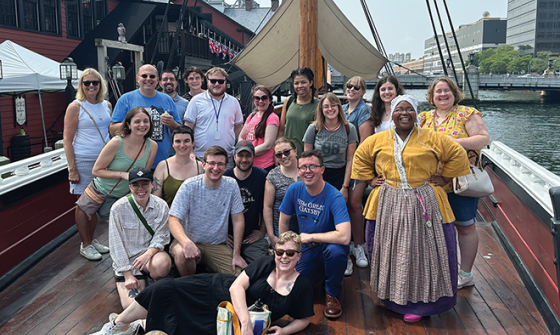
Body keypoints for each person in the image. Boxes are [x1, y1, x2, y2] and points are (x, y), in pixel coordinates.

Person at [352, 95, 470, 322]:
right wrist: (369, 180)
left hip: (423, 199)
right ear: (392, 114)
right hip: (388, 201)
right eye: (399, 109)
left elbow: (457, 154)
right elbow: (361, 157)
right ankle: (391, 298)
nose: (404, 113)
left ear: (416, 114)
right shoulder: (378, 139)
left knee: (422, 252)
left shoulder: (431, 138)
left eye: (409, 109)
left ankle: (421, 304)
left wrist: (444, 178)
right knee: (391, 251)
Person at [91, 232, 314, 335]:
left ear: (299, 256)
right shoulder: (266, 264)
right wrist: (246, 322)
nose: (284, 257)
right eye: (280, 252)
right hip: (217, 290)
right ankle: (115, 326)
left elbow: (304, 318)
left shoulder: (302, 285)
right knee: (165, 288)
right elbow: (236, 287)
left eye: (290, 253)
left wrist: (285, 332)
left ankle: (138, 325)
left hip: (228, 320)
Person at [419, 76, 490, 290]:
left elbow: (482, 139)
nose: (442, 94)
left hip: (461, 183)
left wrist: (451, 142)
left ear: (454, 93)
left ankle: (466, 274)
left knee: (465, 226)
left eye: (446, 90)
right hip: (432, 183)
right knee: (434, 227)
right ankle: (439, 270)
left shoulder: (467, 114)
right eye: (437, 91)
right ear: (431, 96)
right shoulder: (424, 118)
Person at [75, 107, 157, 261]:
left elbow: (144, 172)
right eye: (137, 121)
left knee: (120, 223)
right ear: (128, 124)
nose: (142, 125)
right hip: (102, 187)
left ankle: (118, 250)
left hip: (125, 192)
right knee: (84, 210)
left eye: (146, 121)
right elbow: (96, 170)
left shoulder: (152, 145)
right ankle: (86, 244)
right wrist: (122, 174)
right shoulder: (116, 143)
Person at [279, 150, 351, 319]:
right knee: (289, 288)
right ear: (298, 171)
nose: (307, 171)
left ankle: (333, 291)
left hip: (328, 247)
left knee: (336, 252)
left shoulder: (335, 196)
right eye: (303, 167)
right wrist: (284, 250)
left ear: (322, 169)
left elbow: (345, 236)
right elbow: (283, 221)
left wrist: (311, 237)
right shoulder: (294, 189)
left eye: (312, 166)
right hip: (306, 250)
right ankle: (323, 274)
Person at [168, 146, 247, 276]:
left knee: (238, 277)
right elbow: (173, 219)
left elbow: (238, 220)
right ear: (204, 164)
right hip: (189, 241)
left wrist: (236, 254)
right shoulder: (189, 186)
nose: (216, 168)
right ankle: (190, 286)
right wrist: (185, 242)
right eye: (212, 163)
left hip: (217, 245)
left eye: (220, 164)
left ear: (226, 166)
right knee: (182, 253)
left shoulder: (231, 185)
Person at [63, 68, 112, 259]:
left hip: (105, 159)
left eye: (95, 82)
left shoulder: (107, 105)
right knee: (84, 204)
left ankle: (92, 239)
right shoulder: (75, 106)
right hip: (84, 159)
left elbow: (111, 131)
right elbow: (67, 139)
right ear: (81, 85)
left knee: (97, 202)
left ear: (101, 85)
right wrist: (72, 168)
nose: (91, 86)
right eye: (87, 83)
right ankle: (85, 244)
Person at [108, 167, 172, 309]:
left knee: (162, 264)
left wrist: (147, 255)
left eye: (145, 184)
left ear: (152, 185)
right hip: (129, 262)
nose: (140, 189)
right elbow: (115, 243)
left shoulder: (161, 206)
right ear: (130, 187)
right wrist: (128, 274)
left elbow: (162, 235)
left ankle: (153, 279)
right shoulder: (118, 208)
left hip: (149, 257)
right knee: (133, 307)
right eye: (136, 185)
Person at [110, 64, 182, 169]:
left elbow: (180, 131)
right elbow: (112, 130)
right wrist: (131, 122)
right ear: (137, 78)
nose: (148, 79)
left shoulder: (167, 99)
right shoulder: (125, 99)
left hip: (161, 162)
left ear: (157, 80)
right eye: (144, 76)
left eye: (152, 76)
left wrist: (172, 124)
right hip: (133, 162)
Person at [342, 76, 373, 274]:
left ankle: (359, 246)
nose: (352, 89)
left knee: (354, 203)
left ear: (363, 92)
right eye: (349, 86)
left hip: (358, 164)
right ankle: (345, 246)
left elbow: (365, 141)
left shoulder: (364, 110)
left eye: (356, 87)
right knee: (342, 204)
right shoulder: (344, 110)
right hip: (342, 163)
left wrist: (355, 166)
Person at [184, 67, 244, 167]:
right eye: (213, 81)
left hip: (227, 157)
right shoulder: (196, 101)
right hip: (201, 157)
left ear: (225, 82)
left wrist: (240, 150)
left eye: (220, 81)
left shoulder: (234, 102)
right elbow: (188, 128)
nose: (216, 84)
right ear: (207, 81)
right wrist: (190, 152)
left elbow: (238, 128)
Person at [223, 141, 270, 264]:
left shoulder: (262, 176)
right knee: (229, 269)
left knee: (263, 265)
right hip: (228, 237)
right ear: (234, 156)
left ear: (254, 157)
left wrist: (262, 231)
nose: (244, 159)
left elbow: (267, 207)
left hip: (251, 237)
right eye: (240, 155)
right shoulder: (224, 177)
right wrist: (220, 234)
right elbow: (214, 209)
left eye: (248, 156)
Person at [303, 93, 358, 194]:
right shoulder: (313, 128)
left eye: (333, 105)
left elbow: (350, 160)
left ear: (338, 107)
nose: (330, 109)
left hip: (339, 175)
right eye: (326, 106)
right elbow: (307, 159)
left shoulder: (349, 129)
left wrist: (345, 186)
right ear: (321, 109)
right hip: (318, 174)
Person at [152, 126, 204, 207]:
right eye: (178, 141)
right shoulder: (163, 166)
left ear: (193, 143)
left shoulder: (200, 167)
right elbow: (155, 199)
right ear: (172, 144)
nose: (182, 145)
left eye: (186, 141)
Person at [263, 138, 300, 246]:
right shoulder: (273, 176)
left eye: (287, 152)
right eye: (279, 155)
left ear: (295, 151)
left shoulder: (305, 170)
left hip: (305, 228)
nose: (283, 156)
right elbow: (267, 207)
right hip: (281, 229)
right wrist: (271, 235)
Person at [279, 67, 319, 154]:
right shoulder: (288, 101)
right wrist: (278, 152)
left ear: (311, 83)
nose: (300, 86)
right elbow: (282, 129)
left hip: (306, 154)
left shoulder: (318, 105)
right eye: (296, 83)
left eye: (303, 82)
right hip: (286, 154)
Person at [238, 85, 279, 171]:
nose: (260, 101)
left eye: (264, 98)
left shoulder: (272, 117)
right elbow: (241, 136)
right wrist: (242, 149)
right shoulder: (251, 115)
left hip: (264, 165)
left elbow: (267, 145)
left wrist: (247, 153)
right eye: (257, 98)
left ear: (270, 100)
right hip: (249, 164)